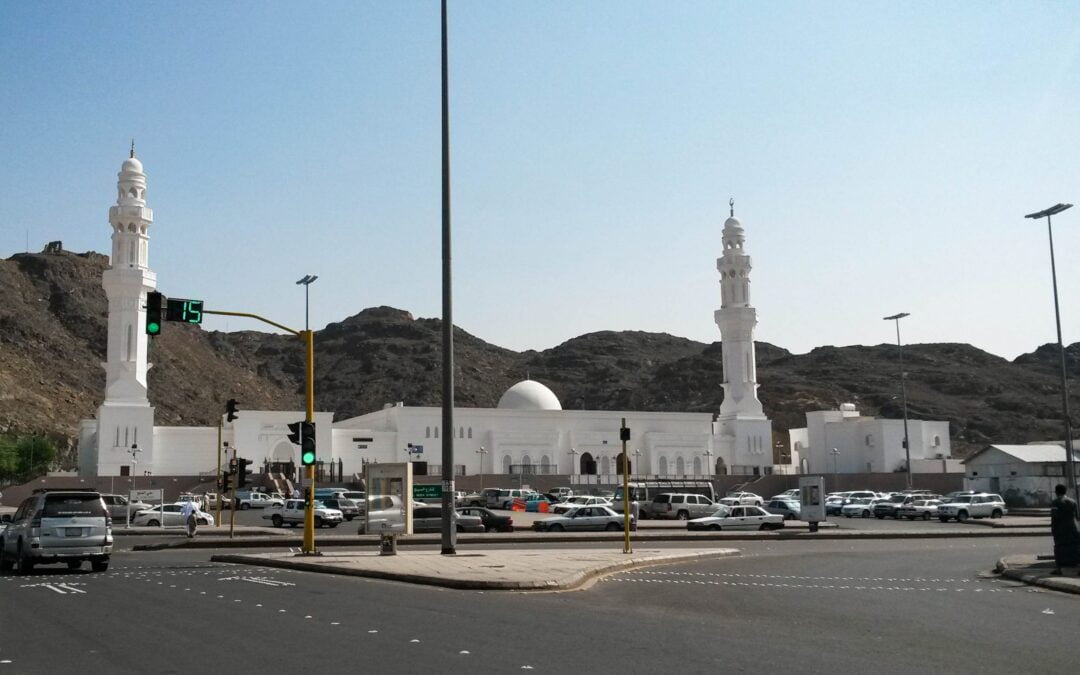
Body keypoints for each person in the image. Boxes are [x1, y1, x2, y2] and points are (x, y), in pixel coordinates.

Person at [1050, 483, 1080, 575]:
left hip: (1060, 528)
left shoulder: (1055, 502)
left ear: (1056, 492)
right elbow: (1077, 516)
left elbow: (1054, 517)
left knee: (1058, 548)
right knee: (1075, 547)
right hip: (1073, 527)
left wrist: (1053, 529)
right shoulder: (1073, 501)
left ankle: (1059, 568)